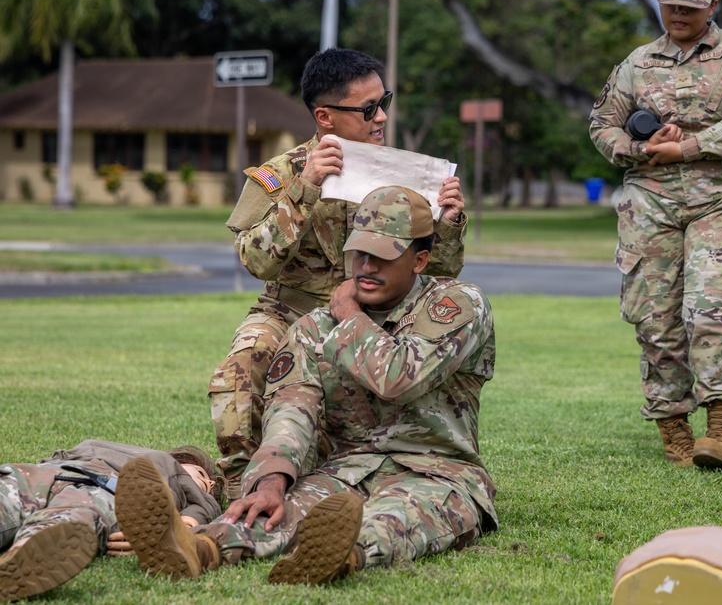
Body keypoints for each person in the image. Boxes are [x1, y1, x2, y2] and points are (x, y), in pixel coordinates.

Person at [118, 185, 497, 586]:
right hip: (346, 471)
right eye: (359, 253)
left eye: (383, 256)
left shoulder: (457, 306)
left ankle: (339, 556)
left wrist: (349, 313)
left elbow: (399, 377)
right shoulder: (316, 326)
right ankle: (198, 549)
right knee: (272, 510)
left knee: (393, 518)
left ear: (420, 260)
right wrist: (271, 481)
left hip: (436, 473)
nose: (366, 266)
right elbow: (291, 409)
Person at [212, 48, 468, 499]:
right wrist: (305, 189)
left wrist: (447, 223)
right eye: (368, 109)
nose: (382, 116)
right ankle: (242, 485)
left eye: (383, 101)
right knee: (240, 368)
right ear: (325, 116)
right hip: (290, 311)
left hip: (377, 317)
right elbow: (256, 261)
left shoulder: (404, 177)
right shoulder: (278, 176)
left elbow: (439, 270)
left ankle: (384, 474)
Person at [589, 0, 722, 469]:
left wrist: (687, 148)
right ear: (658, 0)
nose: (679, 15)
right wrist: (639, 147)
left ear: (714, 5)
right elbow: (602, 124)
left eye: (691, 7)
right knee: (655, 317)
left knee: (709, 306)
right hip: (649, 201)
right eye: (671, 5)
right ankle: (674, 429)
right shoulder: (637, 63)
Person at [0, 440, 221, 602]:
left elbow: (189, 523)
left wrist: (154, 536)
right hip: (49, 472)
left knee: (65, 526)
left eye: (208, 484)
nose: (209, 483)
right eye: (202, 475)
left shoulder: (197, 497)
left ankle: (15, 565)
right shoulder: (160, 463)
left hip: (103, 492)